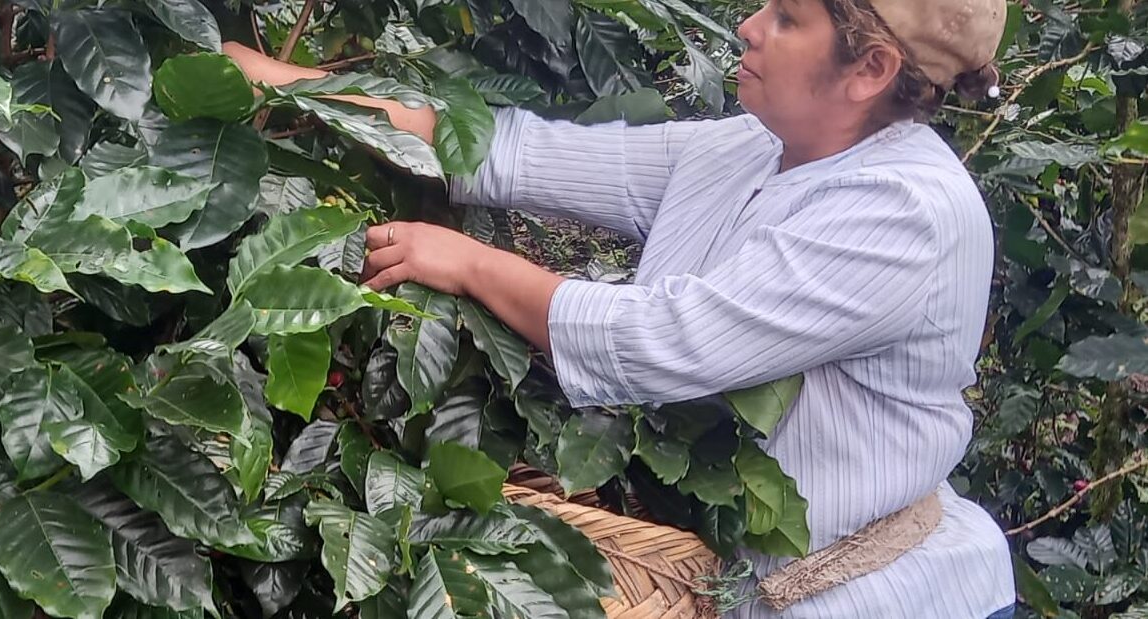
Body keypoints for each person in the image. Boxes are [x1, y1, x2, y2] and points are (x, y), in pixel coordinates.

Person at [226, 0, 1015, 615]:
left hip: (887, 597)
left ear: (870, 68)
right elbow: (511, 150)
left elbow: (665, 340)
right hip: (733, 585)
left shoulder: (906, 211)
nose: (748, 26)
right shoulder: (744, 149)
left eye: (786, 18)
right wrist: (281, 82)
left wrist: (471, 262)